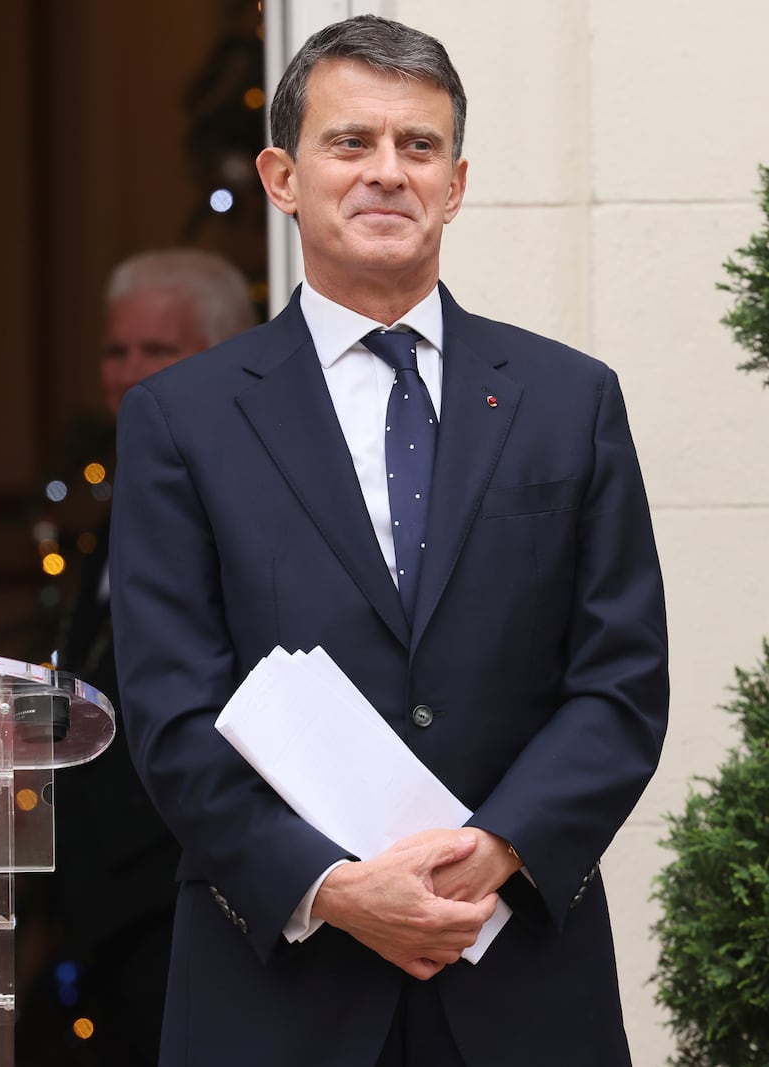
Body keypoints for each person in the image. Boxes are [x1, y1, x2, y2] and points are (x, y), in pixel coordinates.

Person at [108, 15, 668, 1067]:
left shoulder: (568, 401)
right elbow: (171, 712)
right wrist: (331, 884)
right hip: (277, 988)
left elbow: (621, 681)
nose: (386, 173)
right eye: (350, 143)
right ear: (282, 176)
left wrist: (496, 849)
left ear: (455, 185)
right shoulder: (181, 419)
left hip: (516, 978)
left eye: (418, 147)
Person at [44, 248, 255, 1066]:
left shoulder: (250, 496)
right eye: (116, 350)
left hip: (196, 892)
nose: (128, 374)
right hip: (104, 907)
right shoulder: (119, 498)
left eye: (157, 351)